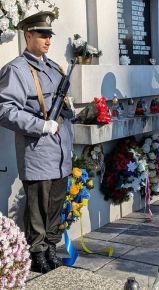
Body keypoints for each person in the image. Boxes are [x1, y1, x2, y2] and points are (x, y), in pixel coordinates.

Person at [0, 11, 73, 273]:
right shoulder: (16, 70)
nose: (48, 39)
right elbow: (5, 110)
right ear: (27, 35)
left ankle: (51, 246)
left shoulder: (54, 68)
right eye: (42, 34)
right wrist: (41, 125)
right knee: (38, 207)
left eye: (49, 35)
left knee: (55, 204)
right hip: (38, 151)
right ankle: (37, 251)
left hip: (61, 151)